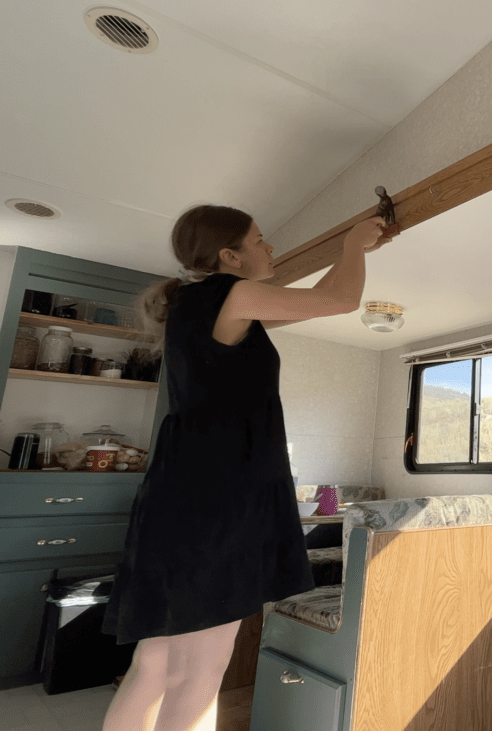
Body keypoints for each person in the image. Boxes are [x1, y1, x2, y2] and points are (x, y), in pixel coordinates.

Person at [100, 204, 390, 731]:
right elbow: (343, 299)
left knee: (156, 665)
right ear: (230, 256)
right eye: (261, 239)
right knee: (199, 670)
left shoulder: (200, 304)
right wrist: (351, 245)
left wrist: (355, 249)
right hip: (218, 501)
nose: (271, 247)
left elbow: (316, 302)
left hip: (181, 495)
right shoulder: (227, 294)